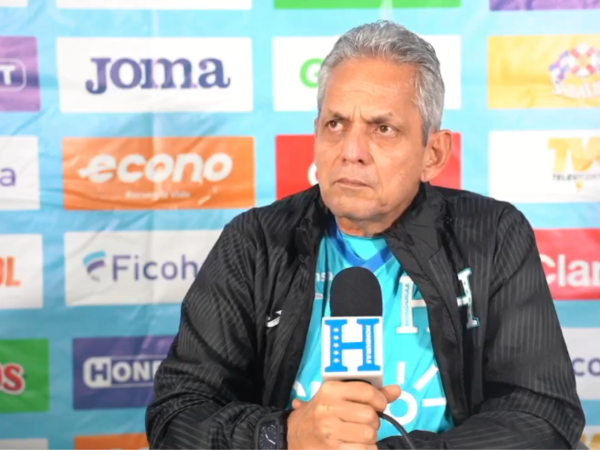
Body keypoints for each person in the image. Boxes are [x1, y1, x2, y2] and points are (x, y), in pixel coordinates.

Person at [145, 20, 584, 450]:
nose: (351, 153)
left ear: (433, 153)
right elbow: (176, 414)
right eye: (336, 124)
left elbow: (542, 414)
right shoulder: (254, 242)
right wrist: (285, 435)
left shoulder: (492, 236)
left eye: (383, 128)